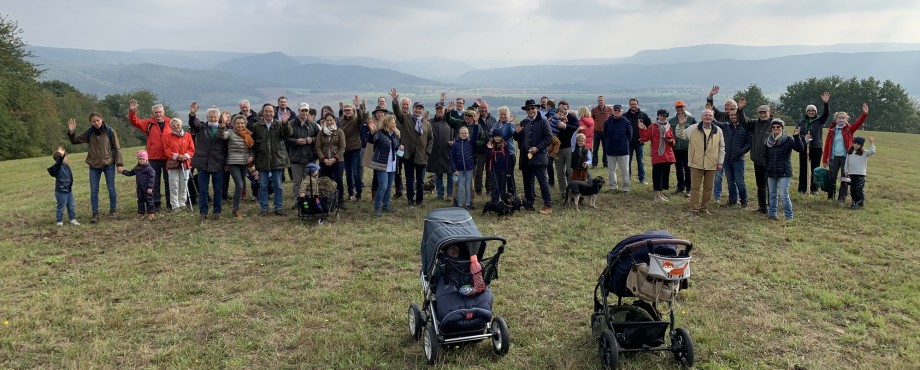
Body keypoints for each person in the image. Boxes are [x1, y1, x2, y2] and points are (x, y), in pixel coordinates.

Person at [67, 113, 123, 223]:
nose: (96, 123)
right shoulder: (89, 133)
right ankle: (95, 214)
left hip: (108, 164)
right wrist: (72, 132)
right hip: (94, 165)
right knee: (94, 190)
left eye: (98, 120)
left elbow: (117, 149)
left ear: (102, 120)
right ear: (91, 122)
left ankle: (113, 211)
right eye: (93, 121)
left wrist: (119, 164)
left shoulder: (110, 131)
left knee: (111, 188)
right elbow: (75, 141)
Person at [390, 88, 434, 207]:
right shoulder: (405, 118)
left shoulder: (426, 123)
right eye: (416, 108)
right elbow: (397, 112)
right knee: (409, 178)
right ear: (412, 108)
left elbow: (431, 138)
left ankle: (420, 200)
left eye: (420, 108)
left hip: (421, 155)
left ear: (422, 110)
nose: (418, 110)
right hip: (408, 153)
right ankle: (410, 200)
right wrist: (395, 100)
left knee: (420, 180)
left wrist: (428, 151)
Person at [678, 109, 725, 214]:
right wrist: (681, 125)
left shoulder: (718, 130)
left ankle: (704, 208)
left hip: (711, 163)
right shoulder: (693, 128)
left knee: (708, 188)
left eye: (710, 115)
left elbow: (722, 147)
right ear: (701, 117)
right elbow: (681, 135)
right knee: (695, 188)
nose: (708, 117)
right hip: (696, 162)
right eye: (706, 115)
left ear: (713, 117)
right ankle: (693, 209)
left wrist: (720, 162)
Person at [128, 99, 171, 212]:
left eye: (160, 112)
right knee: (154, 181)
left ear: (163, 112)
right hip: (153, 157)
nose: (158, 114)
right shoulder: (149, 123)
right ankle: (155, 203)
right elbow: (135, 122)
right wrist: (132, 111)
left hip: (167, 157)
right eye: (156, 112)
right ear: (153, 113)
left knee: (169, 181)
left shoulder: (170, 122)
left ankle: (170, 203)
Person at [188, 103, 229, 220]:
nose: (213, 118)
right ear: (207, 117)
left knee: (218, 189)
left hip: (218, 163)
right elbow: (192, 123)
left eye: (215, 116)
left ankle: (217, 211)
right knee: (203, 190)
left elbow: (226, 148)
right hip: (203, 163)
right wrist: (192, 114)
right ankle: (203, 212)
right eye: (211, 116)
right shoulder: (201, 127)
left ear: (219, 117)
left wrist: (226, 163)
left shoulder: (224, 130)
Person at [823, 103, 869, 205]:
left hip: (846, 158)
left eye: (843, 118)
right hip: (833, 158)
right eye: (839, 118)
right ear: (836, 119)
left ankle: (841, 199)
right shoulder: (831, 131)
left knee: (845, 179)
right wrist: (824, 159)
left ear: (846, 120)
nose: (841, 120)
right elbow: (826, 146)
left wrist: (864, 114)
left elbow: (858, 123)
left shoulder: (849, 130)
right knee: (832, 178)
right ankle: (831, 196)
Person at [251, 104, 293, 215]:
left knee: (278, 186)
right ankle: (264, 208)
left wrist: (285, 123)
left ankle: (278, 208)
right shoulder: (256, 126)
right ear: (262, 113)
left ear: (274, 113)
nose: (268, 113)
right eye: (266, 111)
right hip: (262, 159)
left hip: (277, 159)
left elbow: (288, 134)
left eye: (270, 111)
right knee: (263, 185)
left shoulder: (279, 124)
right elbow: (252, 143)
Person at [514, 99, 554, 215]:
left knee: (543, 182)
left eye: (533, 108)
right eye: (528, 109)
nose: (531, 110)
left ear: (536, 109)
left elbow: (548, 137)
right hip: (525, 157)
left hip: (539, 157)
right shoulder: (523, 122)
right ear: (526, 110)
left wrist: (537, 148)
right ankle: (529, 203)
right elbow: (518, 139)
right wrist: (517, 133)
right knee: (527, 182)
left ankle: (548, 205)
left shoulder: (543, 121)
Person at [762, 121, 804, 221]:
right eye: (774, 127)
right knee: (772, 194)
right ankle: (772, 214)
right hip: (771, 171)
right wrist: (766, 167)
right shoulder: (768, 141)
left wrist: (797, 137)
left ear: (782, 128)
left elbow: (800, 149)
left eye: (778, 127)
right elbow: (765, 156)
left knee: (784, 195)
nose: (776, 128)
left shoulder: (788, 139)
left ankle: (789, 217)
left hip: (784, 171)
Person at [795, 92, 831, 195]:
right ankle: (802, 189)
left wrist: (826, 103)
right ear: (806, 112)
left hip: (816, 147)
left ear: (815, 112)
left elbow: (826, 114)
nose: (811, 112)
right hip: (804, 147)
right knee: (803, 169)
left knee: (815, 169)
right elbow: (796, 133)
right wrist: (804, 137)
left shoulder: (819, 120)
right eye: (809, 110)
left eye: (812, 110)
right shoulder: (801, 121)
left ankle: (814, 189)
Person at [718, 106, 753, 209]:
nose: (733, 116)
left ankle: (744, 203)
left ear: (738, 115)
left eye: (735, 115)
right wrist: (710, 107)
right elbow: (714, 121)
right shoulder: (725, 126)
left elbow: (749, 143)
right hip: (727, 159)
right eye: (731, 115)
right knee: (730, 181)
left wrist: (740, 152)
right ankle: (733, 200)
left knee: (739, 182)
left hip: (738, 160)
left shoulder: (745, 127)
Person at [286, 102, 319, 209]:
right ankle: (297, 201)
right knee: (297, 182)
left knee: (310, 181)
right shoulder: (290, 124)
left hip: (310, 158)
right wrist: (296, 141)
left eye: (306, 111)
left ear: (308, 112)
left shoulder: (313, 125)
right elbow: (285, 138)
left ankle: (310, 199)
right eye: (302, 110)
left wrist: (312, 139)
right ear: (298, 111)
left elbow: (319, 138)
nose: (304, 113)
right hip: (296, 158)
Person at [367, 115, 401, 217]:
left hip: (392, 164)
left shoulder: (394, 134)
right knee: (383, 186)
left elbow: (395, 147)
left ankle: (386, 205)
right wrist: (372, 131)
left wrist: (400, 147)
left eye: (395, 123)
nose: (395, 125)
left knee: (389, 187)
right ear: (387, 123)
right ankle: (378, 208)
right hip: (381, 163)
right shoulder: (379, 133)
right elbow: (372, 140)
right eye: (393, 123)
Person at [639, 109, 676, 202]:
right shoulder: (653, 127)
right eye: (661, 115)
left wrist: (670, 140)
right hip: (658, 155)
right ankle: (657, 196)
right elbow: (645, 138)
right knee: (657, 175)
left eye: (664, 116)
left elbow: (672, 140)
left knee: (664, 175)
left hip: (668, 155)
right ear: (658, 116)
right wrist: (642, 129)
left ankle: (661, 193)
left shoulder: (669, 126)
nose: (663, 117)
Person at [162, 118, 195, 211]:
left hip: (185, 163)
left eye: (178, 125)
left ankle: (182, 202)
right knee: (174, 184)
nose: (176, 127)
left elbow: (191, 148)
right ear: (170, 126)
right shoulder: (167, 136)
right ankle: (175, 205)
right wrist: (176, 156)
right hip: (173, 164)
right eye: (173, 126)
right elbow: (167, 150)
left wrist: (186, 155)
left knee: (184, 183)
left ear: (181, 126)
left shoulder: (188, 135)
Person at [315, 112, 347, 210]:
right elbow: (318, 147)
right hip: (324, 162)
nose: (329, 122)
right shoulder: (321, 133)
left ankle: (340, 201)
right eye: (327, 120)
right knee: (325, 181)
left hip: (338, 161)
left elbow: (342, 147)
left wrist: (335, 158)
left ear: (334, 120)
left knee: (338, 180)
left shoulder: (339, 132)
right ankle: (327, 201)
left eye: (330, 120)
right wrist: (323, 159)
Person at [339, 97, 367, 203]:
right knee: (348, 174)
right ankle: (350, 193)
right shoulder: (341, 121)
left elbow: (362, 118)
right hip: (344, 150)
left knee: (356, 173)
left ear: (353, 111)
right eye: (345, 110)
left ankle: (358, 193)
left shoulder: (356, 120)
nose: (347, 112)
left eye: (349, 110)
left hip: (355, 149)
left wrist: (357, 106)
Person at [226, 115, 255, 218]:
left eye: (242, 123)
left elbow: (251, 147)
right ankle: (235, 210)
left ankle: (237, 208)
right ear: (233, 124)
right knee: (239, 185)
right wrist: (221, 126)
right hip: (233, 162)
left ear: (245, 124)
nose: (240, 125)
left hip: (244, 162)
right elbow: (222, 136)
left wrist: (252, 155)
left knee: (242, 185)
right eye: (238, 123)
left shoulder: (248, 134)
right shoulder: (229, 133)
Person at [603, 104, 633, 193]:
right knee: (611, 170)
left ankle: (626, 188)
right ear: (612, 111)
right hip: (610, 150)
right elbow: (605, 135)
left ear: (622, 111)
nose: (617, 111)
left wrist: (624, 144)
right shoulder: (607, 122)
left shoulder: (626, 123)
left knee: (625, 170)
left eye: (618, 110)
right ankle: (613, 187)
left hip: (623, 150)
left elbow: (630, 136)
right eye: (615, 110)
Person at [427, 102, 453, 201]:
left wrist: (453, 142)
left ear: (444, 110)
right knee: (438, 174)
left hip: (449, 152)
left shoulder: (450, 121)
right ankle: (440, 194)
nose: (439, 110)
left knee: (450, 174)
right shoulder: (430, 122)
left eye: (441, 109)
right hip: (436, 153)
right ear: (435, 110)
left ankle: (450, 194)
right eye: (437, 109)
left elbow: (456, 133)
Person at [669, 100, 695, 197]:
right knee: (678, 168)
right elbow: (669, 133)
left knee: (687, 168)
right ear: (675, 108)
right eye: (678, 107)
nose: (680, 109)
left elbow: (696, 132)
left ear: (685, 107)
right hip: (676, 148)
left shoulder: (691, 119)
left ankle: (689, 188)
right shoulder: (672, 121)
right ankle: (680, 186)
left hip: (687, 148)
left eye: (681, 107)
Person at [121, 150, 157, 220]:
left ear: (146, 159)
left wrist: (150, 187)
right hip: (140, 188)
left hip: (147, 188)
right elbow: (130, 173)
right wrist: (123, 171)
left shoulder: (149, 169)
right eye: (140, 159)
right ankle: (140, 213)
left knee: (149, 200)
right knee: (140, 200)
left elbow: (151, 179)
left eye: (143, 159)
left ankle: (151, 213)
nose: (141, 161)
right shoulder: (137, 168)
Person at [48, 147, 80, 226]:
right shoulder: (57, 168)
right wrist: (61, 156)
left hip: (68, 190)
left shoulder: (66, 166)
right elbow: (58, 163)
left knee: (71, 206)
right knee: (61, 207)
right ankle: (59, 221)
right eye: (65, 157)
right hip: (61, 191)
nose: (67, 158)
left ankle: (72, 219)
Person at [623, 98, 652, 184]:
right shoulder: (625, 116)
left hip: (639, 142)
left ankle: (642, 179)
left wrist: (644, 136)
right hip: (628, 143)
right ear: (629, 105)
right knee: (628, 162)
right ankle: (628, 179)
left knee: (641, 162)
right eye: (631, 104)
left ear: (637, 105)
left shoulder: (643, 115)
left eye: (635, 104)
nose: (633, 106)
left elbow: (650, 128)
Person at [552, 102, 579, 193]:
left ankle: (572, 189)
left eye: (565, 109)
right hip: (558, 148)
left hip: (569, 147)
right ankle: (563, 191)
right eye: (561, 109)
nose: (563, 110)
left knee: (570, 171)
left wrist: (565, 126)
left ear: (568, 109)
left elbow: (577, 128)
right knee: (560, 172)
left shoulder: (572, 117)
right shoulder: (554, 118)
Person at [844, 136, 876, 209]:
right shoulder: (850, 152)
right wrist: (846, 171)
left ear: (861, 145)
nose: (856, 145)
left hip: (860, 174)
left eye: (858, 144)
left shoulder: (864, 153)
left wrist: (871, 143)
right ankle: (855, 201)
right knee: (852, 189)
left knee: (859, 189)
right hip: (852, 173)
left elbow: (872, 151)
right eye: (854, 143)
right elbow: (847, 163)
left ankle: (858, 202)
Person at [493, 106, 517, 195]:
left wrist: (508, 123)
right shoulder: (495, 124)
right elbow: (496, 135)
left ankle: (512, 195)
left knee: (509, 175)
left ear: (508, 115)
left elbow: (505, 135)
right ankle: (501, 194)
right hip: (498, 153)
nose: (503, 116)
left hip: (509, 153)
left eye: (505, 114)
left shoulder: (511, 124)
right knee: (500, 175)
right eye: (501, 114)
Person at [451, 127, 475, 210]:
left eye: (466, 133)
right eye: (462, 133)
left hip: (469, 168)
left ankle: (468, 204)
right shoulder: (455, 144)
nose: (464, 134)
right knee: (460, 187)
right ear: (459, 134)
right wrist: (454, 169)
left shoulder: (470, 143)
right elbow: (451, 158)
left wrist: (475, 124)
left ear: (468, 134)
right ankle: (460, 205)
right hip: (459, 170)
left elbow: (475, 136)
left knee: (468, 187)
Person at [486, 129, 512, 203]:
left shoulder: (505, 145)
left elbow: (508, 158)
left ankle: (502, 200)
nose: (497, 138)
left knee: (502, 185)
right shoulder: (490, 145)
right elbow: (487, 158)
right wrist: (489, 149)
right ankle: (494, 200)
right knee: (494, 185)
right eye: (495, 136)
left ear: (501, 137)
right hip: (494, 169)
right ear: (493, 137)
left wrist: (508, 170)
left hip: (503, 169)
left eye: (499, 136)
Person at [591, 96, 612, 168]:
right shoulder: (594, 110)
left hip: (606, 132)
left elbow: (612, 118)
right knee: (595, 149)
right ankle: (594, 164)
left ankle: (605, 164)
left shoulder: (609, 109)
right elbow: (592, 119)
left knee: (605, 148)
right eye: (599, 100)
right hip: (596, 132)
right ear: (597, 101)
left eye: (601, 100)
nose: (600, 101)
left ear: (604, 101)